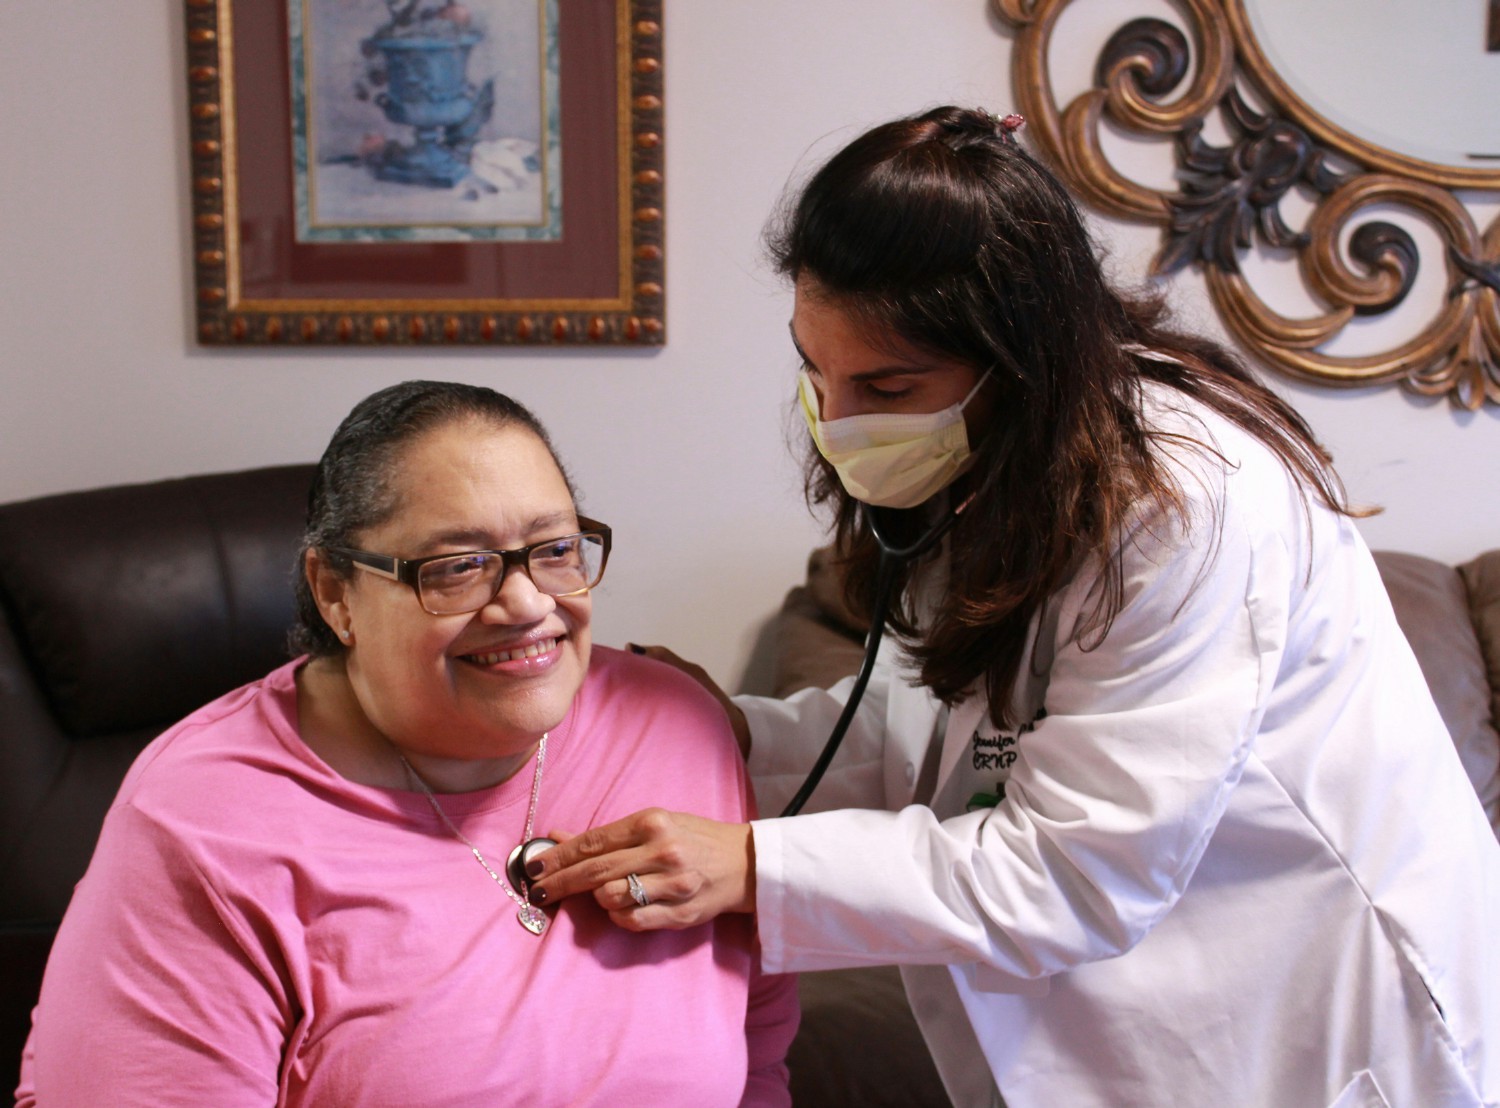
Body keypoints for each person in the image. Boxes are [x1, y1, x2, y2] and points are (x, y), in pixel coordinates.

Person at [526, 107, 1500, 1106]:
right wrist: (722, 738)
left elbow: (1076, 872)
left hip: (1312, 1017)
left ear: (1019, 361)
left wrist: (750, 863)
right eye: (816, 372)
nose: (841, 423)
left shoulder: (1187, 508)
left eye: (888, 383)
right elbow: (958, 730)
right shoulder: (990, 471)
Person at [15, 381, 797, 1106]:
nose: (526, 603)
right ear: (335, 593)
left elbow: (755, 1054)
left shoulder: (673, 727)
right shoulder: (201, 820)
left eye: (556, 549)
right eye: (459, 567)